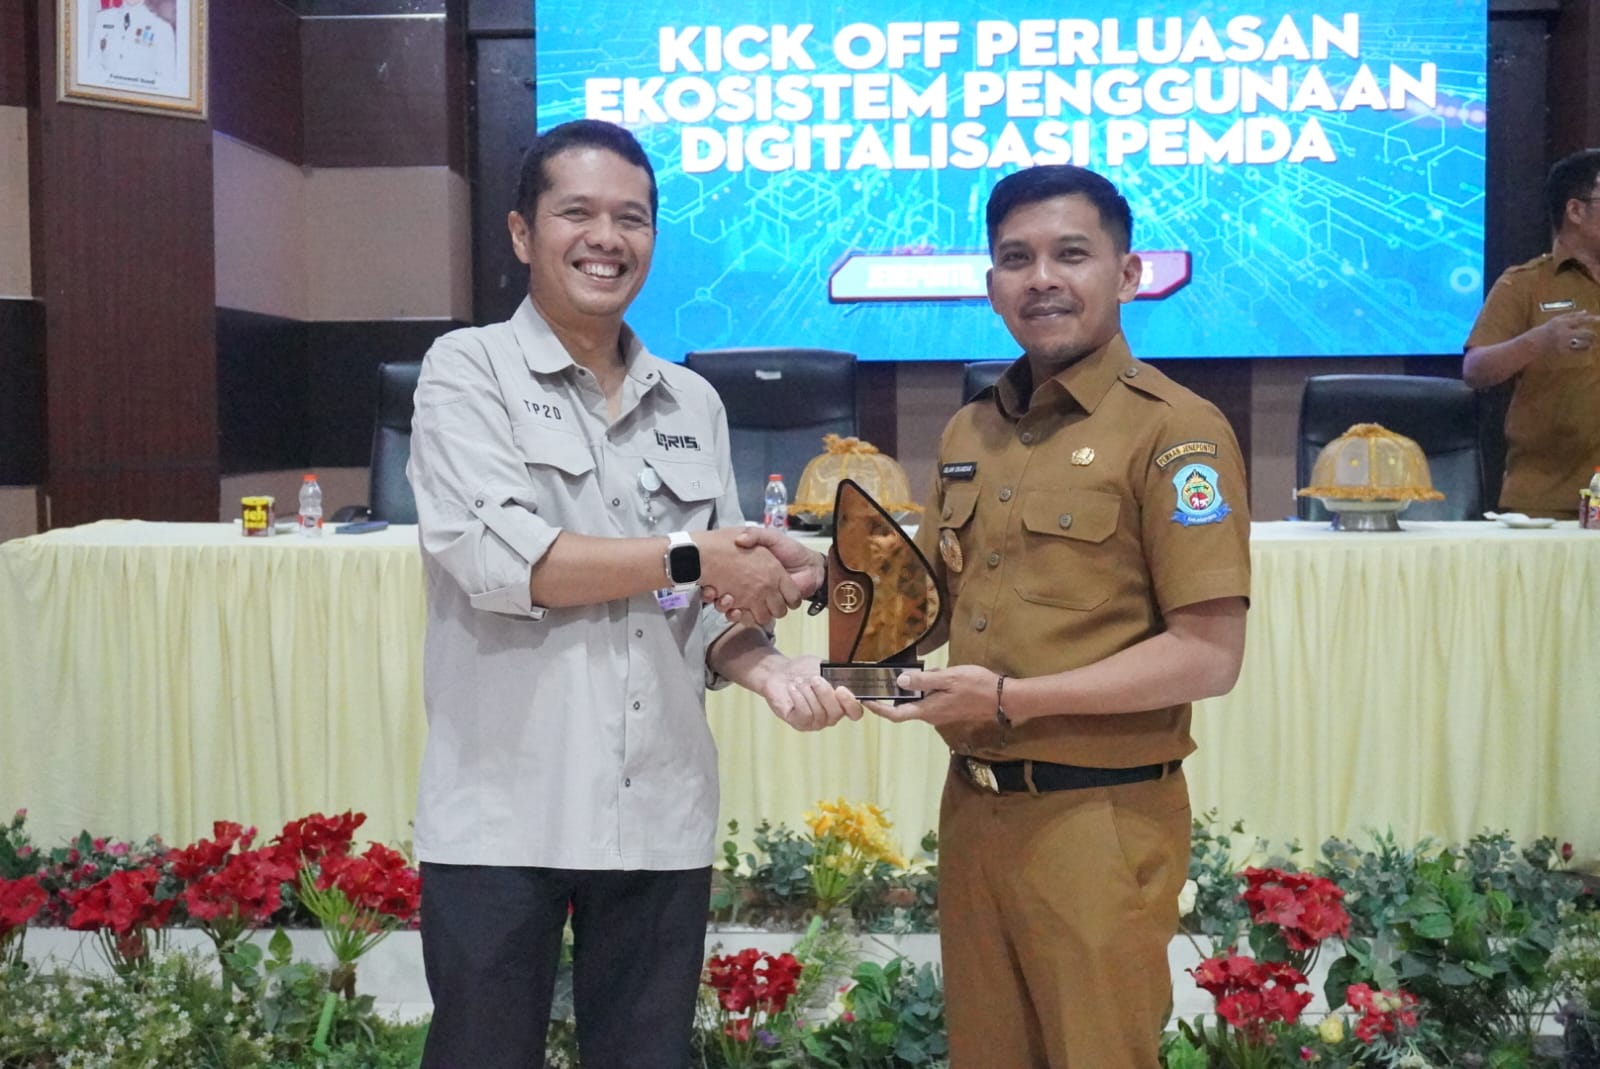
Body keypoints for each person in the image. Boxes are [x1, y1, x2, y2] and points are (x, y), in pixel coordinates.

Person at [405, 119, 857, 1069]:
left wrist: (767, 666)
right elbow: (511, 566)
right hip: (505, 810)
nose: (606, 238)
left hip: (657, 807)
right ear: (523, 231)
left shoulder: (694, 401)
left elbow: (698, 603)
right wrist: (698, 557)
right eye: (577, 213)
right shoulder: (467, 370)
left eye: (632, 218)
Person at [868, 165, 1250, 1067]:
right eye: (1016, 258)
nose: (1041, 278)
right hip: (975, 812)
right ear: (991, 281)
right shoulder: (970, 431)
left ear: (1129, 273)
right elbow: (924, 606)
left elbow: (1208, 655)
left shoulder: (1176, 431)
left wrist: (1009, 700)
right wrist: (815, 585)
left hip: (1098, 820)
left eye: (1071, 254)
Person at [1463, 148, 1600, 519]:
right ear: (1575, 210)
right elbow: (1475, 370)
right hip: (1550, 501)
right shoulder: (1525, 283)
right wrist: (1537, 342)